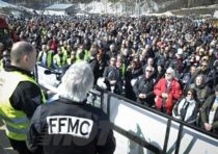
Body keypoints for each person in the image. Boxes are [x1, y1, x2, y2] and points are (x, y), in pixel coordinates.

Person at [27, 61, 116, 154]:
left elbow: (32, 144)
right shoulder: (99, 117)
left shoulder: (43, 111)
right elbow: (108, 149)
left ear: (64, 81)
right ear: (89, 86)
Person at [0, 41, 45, 154]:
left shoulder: (3, 74)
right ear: (26, 59)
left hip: (11, 133)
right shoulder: (26, 86)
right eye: (35, 58)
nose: (35, 61)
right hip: (29, 139)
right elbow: (39, 119)